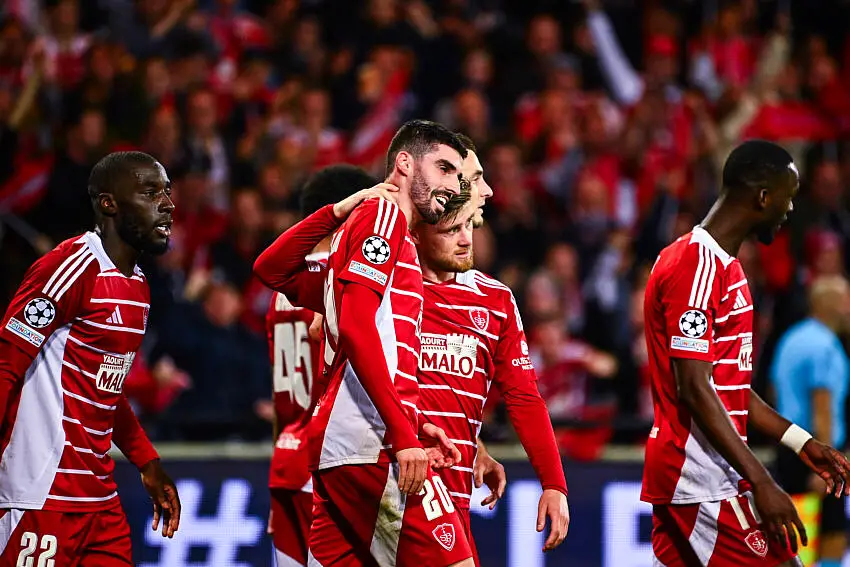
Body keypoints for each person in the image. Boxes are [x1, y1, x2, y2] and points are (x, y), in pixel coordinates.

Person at [256, 135, 570, 564]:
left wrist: (544, 478)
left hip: (436, 478)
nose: (465, 238)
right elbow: (325, 308)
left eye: (469, 227)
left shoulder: (493, 300)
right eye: (452, 226)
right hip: (391, 462)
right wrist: (404, 434)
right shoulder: (382, 258)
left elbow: (523, 395)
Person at [255, 120, 475, 567]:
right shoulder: (385, 215)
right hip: (372, 445)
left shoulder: (384, 239)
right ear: (404, 163)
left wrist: (334, 213)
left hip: (338, 449)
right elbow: (356, 325)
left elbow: (271, 270)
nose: (452, 186)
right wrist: (401, 433)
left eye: (458, 177)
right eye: (444, 168)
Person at [642, 139, 850, 567]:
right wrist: (761, 480)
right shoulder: (694, 266)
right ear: (763, 196)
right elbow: (695, 389)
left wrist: (802, 442)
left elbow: (729, 388)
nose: (790, 209)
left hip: (708, 475)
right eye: (789, 197)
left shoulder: (729, 269)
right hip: (701, 479)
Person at [0, 151, 181, 566]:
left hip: (99, 502)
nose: (168, 204)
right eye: (150, 192)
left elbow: (104, 389)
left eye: (167, 192)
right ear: (109, 203)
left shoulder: (138, 287)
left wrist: (147, 462)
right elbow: (6, 363)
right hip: (39, 494)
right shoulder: (69, 267)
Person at [265, 164, 378, 567]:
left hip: (288, 461)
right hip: (334, 463)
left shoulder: (283, 287)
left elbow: (284, 396)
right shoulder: (348, 275)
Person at [771, 275, 850, 567]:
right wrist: (825, 465)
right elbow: (823, 408)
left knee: (794, 533)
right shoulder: (825, 346)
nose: (848, 309)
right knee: (832, 533)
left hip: (787, 447)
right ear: (827, 304)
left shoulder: (791, 339)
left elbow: (772, 392)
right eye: (845, 300)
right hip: (816, 452)